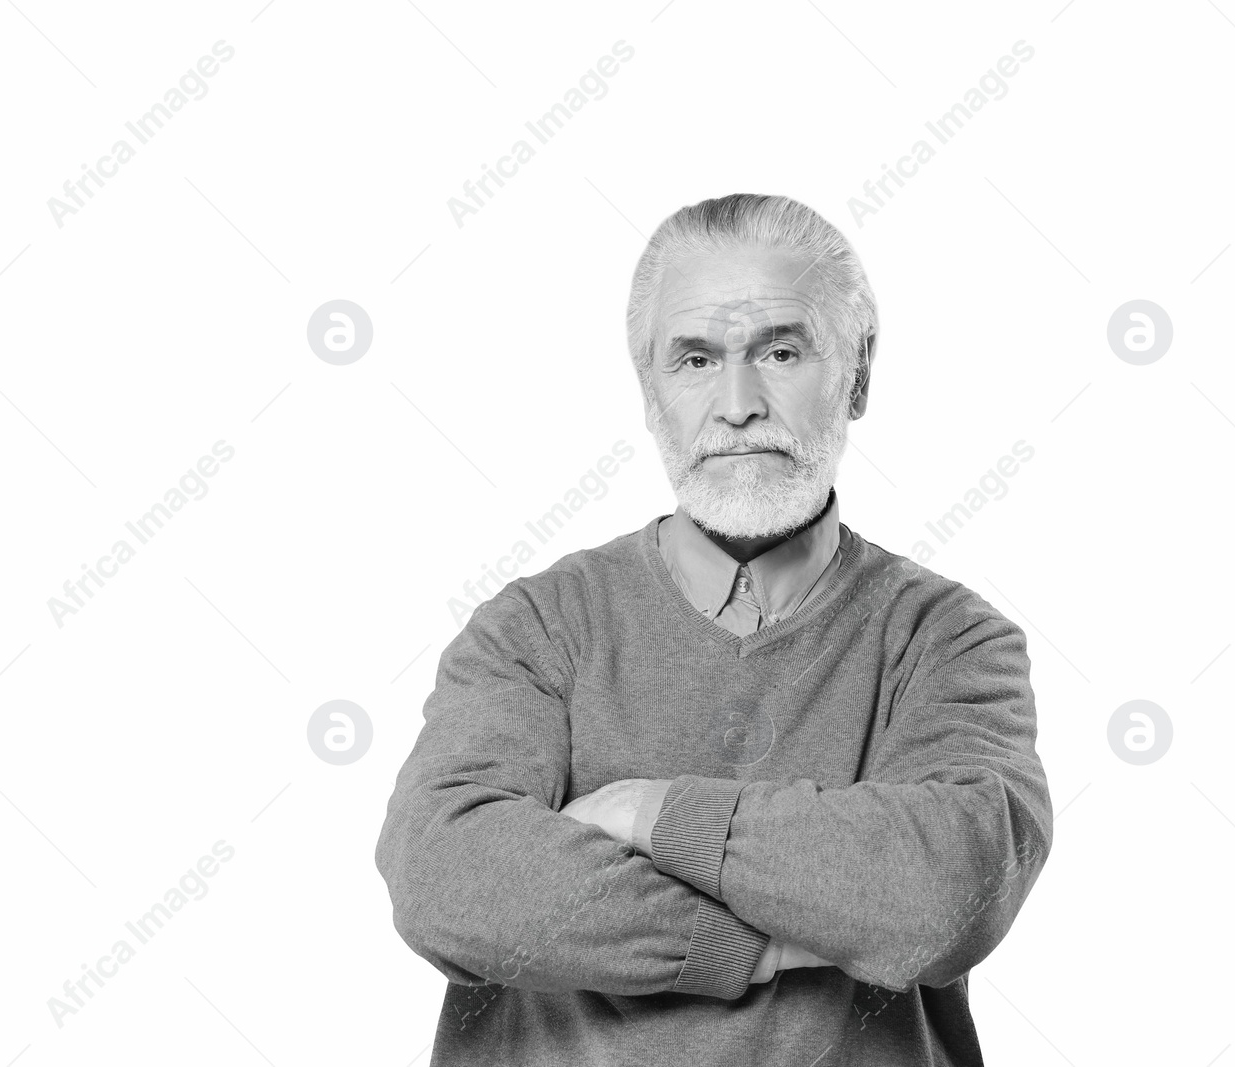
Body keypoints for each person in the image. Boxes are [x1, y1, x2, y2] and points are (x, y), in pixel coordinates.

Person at [375, 192, 1053, 1066]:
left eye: (780, 349)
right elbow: (448, 882)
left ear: (859, 373)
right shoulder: (534, 627)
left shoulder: (952, 641)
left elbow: (942, 895)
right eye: (695, 358)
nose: (738, 403)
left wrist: (647, 811)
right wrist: (761, 944)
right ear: (649, 388)